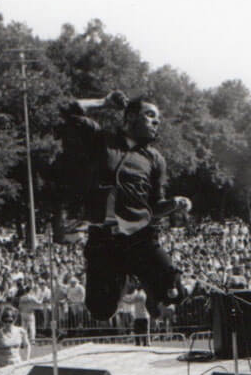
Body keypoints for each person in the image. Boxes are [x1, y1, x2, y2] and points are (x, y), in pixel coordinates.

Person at [57, 91, 192, 326]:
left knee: (175, 292)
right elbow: (68, 109)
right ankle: (124, 277)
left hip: (140, 239)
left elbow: (154, 207)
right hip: (104, 241)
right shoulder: (101, 140)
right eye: (149, 115)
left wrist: (174, 204)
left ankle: (147, 281)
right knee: (100, 310)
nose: (156, 122)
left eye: (157, 118)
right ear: (129, 117)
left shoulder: (154, 159)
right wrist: (103, 103)